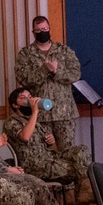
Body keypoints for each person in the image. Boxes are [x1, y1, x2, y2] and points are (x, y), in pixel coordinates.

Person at [2, 86, 101, 205]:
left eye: (30, 96)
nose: (29, 99)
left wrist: (52, 142)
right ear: (15, 105)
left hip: (50, 159)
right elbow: (25, 136)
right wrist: (35, 112)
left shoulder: (37, 122)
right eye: (23, 98)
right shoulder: (12, 121)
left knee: (81, 151)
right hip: (34, 165)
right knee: (81, 169)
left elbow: (53, 150)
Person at [15, 15, 81, 152]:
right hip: (39, 114)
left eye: (44, 29)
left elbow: (75, 74)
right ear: (33, 32)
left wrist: (56, 72)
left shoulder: (64, 50)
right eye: (38, 30)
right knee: (44, 153)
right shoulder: (25, 54)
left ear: (49, 29)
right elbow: (22, 78)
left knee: (68, 152)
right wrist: (45, 71)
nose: (42, 32)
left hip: (64, 112)